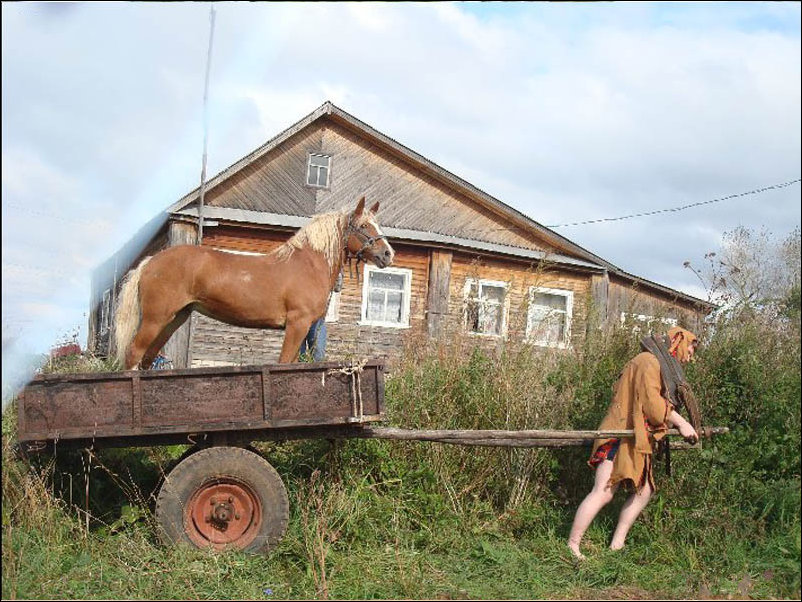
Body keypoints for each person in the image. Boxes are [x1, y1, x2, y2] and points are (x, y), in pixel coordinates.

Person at [567, 326, 700, 560]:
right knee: (604, 491)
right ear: (678, 340)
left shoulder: (656, 363)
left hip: (636, 437)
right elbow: (652, 404)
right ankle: (572, 545)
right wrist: (681, 422)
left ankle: (617, 545)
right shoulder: (649, 361)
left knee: (644, 490)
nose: (691, 353)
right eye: (691, 345)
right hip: (620, 436)